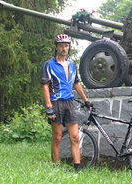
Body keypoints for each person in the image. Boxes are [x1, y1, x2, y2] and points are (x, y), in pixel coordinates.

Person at [41, 33, 91, 170]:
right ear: (56, 47)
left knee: (74, 136)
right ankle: (56, 165)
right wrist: (48, 106)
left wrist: (86, 101)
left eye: (66, 46)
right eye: (61, 46)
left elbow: (76, 84)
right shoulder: (49, 65)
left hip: (69, 103)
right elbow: (45, 86)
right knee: (57, 137)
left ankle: (77, 167)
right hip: (56, 102)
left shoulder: (72, 65)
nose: (64, 48)